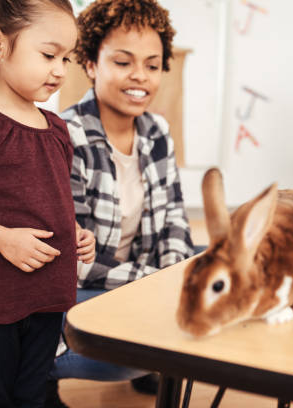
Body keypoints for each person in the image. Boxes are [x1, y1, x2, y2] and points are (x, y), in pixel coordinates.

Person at [46, 0, 195, 405]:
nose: (140, 77)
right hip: (79, 289)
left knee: (198, 261)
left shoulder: (157, 131)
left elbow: (175, 223)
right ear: (91, 64)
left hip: (138, 280)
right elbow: (73, 259)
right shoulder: (64, 135)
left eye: (152, 64)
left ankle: (154, 362)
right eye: (123, 62)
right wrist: (156, 284)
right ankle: (44, 374)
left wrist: (177, 279)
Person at [0, 0, 96, 406]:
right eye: (49, 54)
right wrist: (1, 239)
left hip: (47, 302)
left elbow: (49, 200)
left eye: (67, 58)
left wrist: (77, 234)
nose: (60, 69)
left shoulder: (56, 129)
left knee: (32, 397)